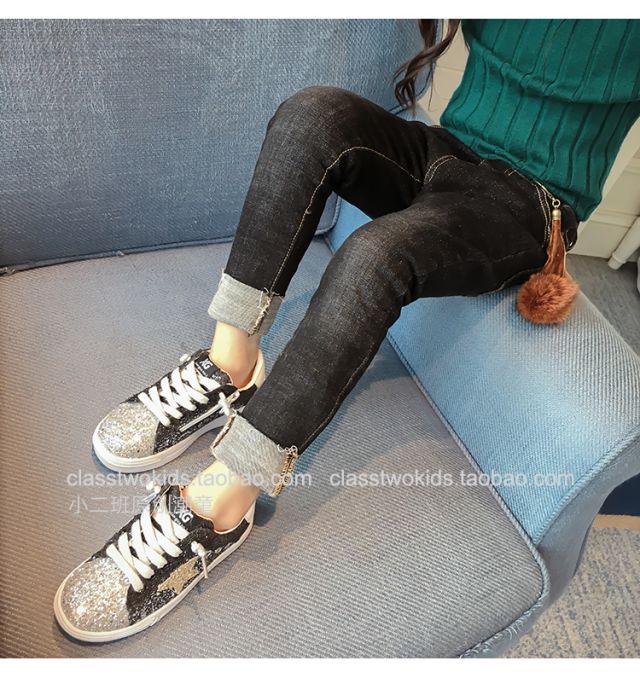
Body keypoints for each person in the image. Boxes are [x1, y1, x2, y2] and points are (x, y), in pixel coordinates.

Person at [53, 19, 640, 642]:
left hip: (533, 202)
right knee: (312, 116)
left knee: (375, 254)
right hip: (450, 151)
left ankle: (222, 502)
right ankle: (232, 365)